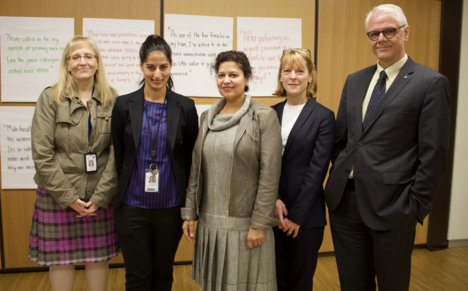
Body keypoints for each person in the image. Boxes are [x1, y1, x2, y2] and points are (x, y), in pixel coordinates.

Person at [324, 4, 450, 291]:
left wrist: (414, 204)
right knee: (353, 284)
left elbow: (434, 153)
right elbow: (342, 139)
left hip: (394, 206)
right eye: (373, 33)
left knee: (393, 284)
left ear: (405, 33)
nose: (380, 38)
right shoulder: (355, 80)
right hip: (345, 204)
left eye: (389, 31)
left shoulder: (430, 83)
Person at [181, 50, 282, 290]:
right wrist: (189, 212)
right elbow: (197, 167)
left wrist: (259, 225)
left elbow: (270, 175)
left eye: (233, 75)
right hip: (209, 223)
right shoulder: (207, 117)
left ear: (247, 78)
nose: (226, 80)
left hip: (246, 226)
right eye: (221, 75)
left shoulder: (264, 116)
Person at [29, 35, 119, 291]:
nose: (82, 62)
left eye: (88, 56)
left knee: (98, 259)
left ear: (97, 63)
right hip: (58, 195)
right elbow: (42, 154)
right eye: (75, 57)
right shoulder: (50, 98)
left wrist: (101, 196)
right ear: (67, 64)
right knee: (60, 260)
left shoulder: (112, 98)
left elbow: (117, 153)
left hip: (98, 196)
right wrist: (68, 198)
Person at [111, 35, 198, 291]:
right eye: (151, 67)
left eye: (163, 67)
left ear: (170, 66)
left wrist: (189, 209)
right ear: (141, 66)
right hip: (131, 208)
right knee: (137, 277)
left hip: (170, 209)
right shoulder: (123, 105)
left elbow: (191, 159)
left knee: (162, 274)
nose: (157, 74)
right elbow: (119, 154)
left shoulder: (185, 107)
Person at [271, 49, 335, 291]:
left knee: (299, 281)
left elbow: (317, 170)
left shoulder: (323, 117)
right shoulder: (271, 113)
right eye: (287, 71)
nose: (293, 77)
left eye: (300, 71)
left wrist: (297, 216)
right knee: (276, 279)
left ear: (310, 77)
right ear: (281, 76)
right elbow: (263, 163)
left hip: (306, 216)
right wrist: (273, 199)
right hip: (272, 211)